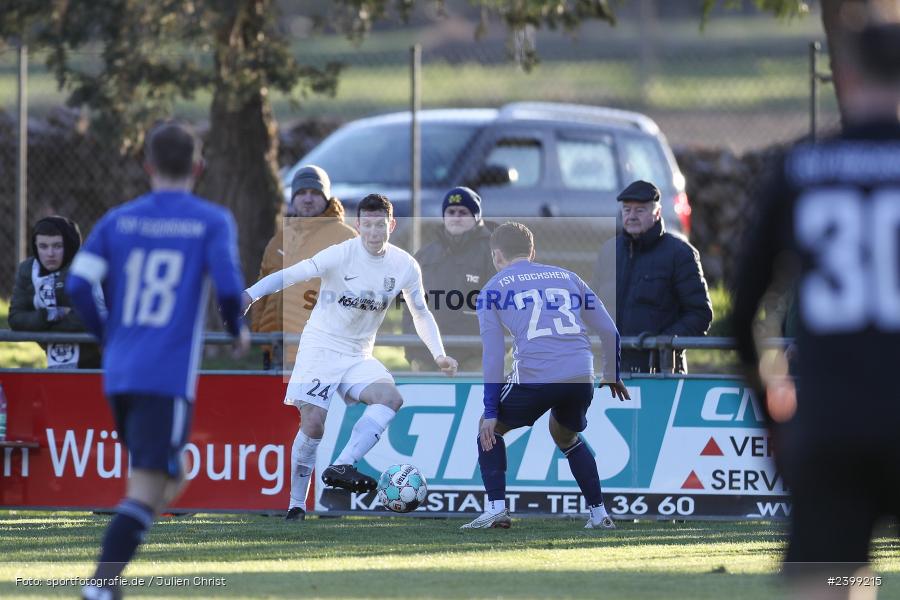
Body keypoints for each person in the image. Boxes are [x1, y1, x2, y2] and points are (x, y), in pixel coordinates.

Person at [732, 3, 900, 595]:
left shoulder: (802, 167)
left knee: (828, 582)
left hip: (833, 424)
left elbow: (743, 308)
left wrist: (772, 402)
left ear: (847, 79)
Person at [66, 121, 249, 600]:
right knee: (151, 485)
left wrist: (109, 334)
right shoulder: (210, 220)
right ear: (198, 167)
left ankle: (108, 581)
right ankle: (102, 586)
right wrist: (237, 329)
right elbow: (230, 290)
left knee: (166, 478)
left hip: (120, 372)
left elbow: (78, 285)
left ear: (147, 166)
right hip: (164, 378)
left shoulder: (118, 220)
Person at [243, 193, 459, 521]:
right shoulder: (340, 254)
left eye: (381, 225)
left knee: (390, 398)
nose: (374, 232)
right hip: (321, 348)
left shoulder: (404, 265)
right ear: (358, 226)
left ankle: (343, 465)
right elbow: (292, 274)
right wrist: (249, 295)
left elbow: (421, 312)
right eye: (368, 225)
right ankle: (296, 504)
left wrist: (440, 355)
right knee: (313, 425)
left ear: (392, 225)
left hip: (358, 353)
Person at [462, 222, 629, 530]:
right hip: (581, 374)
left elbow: (494, 356)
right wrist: (612, 372)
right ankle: (599, 514)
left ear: (496, 255)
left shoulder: (492, 289)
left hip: (536, 376)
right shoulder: (568, 277)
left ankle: (496, 508)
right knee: (565, 435)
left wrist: (489, 411)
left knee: (490, 428)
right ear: (533, 252)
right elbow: (609, 330)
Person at [592, 180, 712, 373]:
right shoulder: (608, 251)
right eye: (627, 209)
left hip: (659, 375)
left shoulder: (680, 254)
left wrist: (663, 343)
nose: (631, 216)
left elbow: (700, 314)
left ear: (657, 213)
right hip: (608, 373)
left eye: (640, 210)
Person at [252, 165, 356, 370]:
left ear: (326, 197)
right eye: (301, 193)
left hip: (321, 353)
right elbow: (261, 289)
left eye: (315, 193)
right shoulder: (279, 239)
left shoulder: (346, 239)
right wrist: (260, 335)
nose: (308, 199)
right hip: (276, 351)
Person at [402, 186, 494, 372]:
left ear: (476, 217)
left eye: (463, 212)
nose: (456, 217)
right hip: (426, 356)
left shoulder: (492, 254)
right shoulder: (425, 255)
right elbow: (409, 306)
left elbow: (504, 305)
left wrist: (495, 351)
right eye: (451, 211)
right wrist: (411, 349)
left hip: (474, 357)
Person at [9, 216, 102, 368]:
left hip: (103, 356)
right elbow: (16, 319)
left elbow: (87, 318)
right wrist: (51, 314)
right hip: (57, 360)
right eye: (43, 246)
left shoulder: (85, 266)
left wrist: (40, 328)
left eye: (57, 246)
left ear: (69, 245)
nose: (50, 253)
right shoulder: (28, 270)